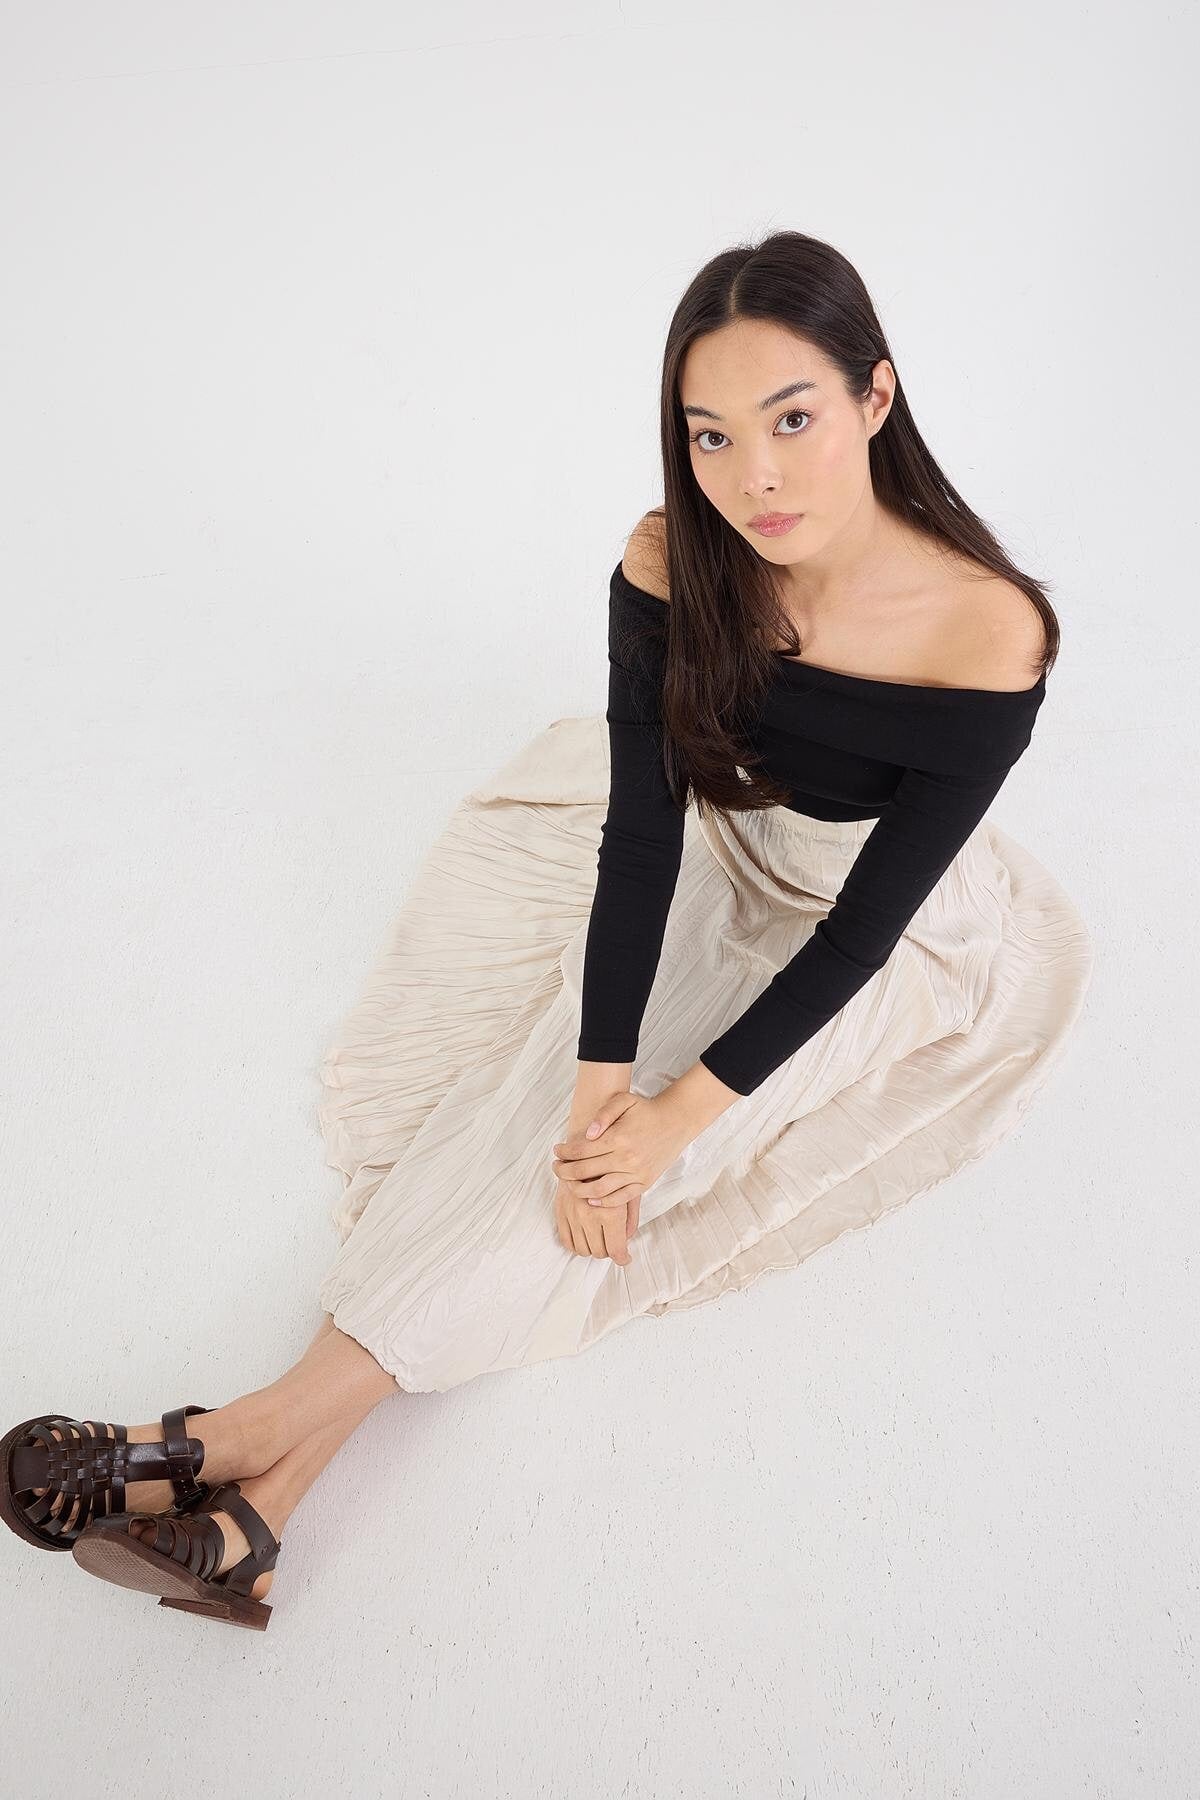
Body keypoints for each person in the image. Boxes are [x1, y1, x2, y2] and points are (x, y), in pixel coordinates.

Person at [1, 230, 1092, 1630]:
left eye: (793, 420)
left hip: (857, 938)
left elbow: (862, 936)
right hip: (715, 854)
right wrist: (596, 1103)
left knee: (614, 1183)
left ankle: (225, 1443)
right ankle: (249, 1521)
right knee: (537, 1136)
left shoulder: (987, 630)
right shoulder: (671, 561)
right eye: (710, 435)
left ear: (877, 397)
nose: (753, 477)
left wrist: (669, 1120)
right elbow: (643, 838)